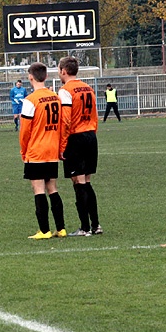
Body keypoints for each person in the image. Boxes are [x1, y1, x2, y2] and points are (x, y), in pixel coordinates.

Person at [20, 63, 67, 239]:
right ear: (46, 77)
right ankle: (61, 228)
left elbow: (25, 131)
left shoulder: (30, 100)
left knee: (38, 189)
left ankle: (44, 230)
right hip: (52, 150)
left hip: (37, 150)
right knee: (52, 188)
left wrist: (24, 152)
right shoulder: (55, 97)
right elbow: (62, 124)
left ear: (30, 77)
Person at [58, 56, 102, 236]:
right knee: (87, 181)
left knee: (78, 182)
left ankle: (84, 228)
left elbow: (66, 119)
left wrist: (62, 145)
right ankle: (96, 225)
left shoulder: (65, 90)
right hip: (90, 135)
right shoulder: (88, 88)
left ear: (63, 71)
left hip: (75, 138)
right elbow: (95, 115)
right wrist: (92, 134)